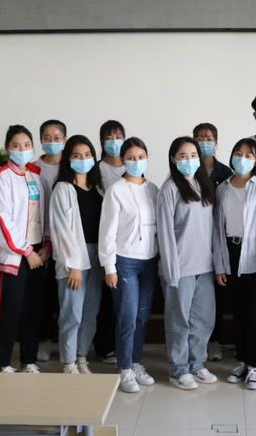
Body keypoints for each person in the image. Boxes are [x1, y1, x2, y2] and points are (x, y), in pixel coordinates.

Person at [213, 138, 256, 390]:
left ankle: (254, 367)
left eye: (249, 155)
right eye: (238, 153)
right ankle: (242, 361)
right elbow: (217, 230)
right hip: (230, 251)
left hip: (254, 253)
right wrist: (220, 264)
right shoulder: (222, 188)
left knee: (255, 313)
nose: (242, 158)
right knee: (237, 312)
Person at [0, 125, 50, 373]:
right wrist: (26, 251)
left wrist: (45, 246)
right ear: (7, 148)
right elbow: (1, 220)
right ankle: (1, 361)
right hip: (15, 253)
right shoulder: (1, 177)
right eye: (16, 145)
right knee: (10, 309)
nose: (22, 150)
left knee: (32, 309)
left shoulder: (37, 177)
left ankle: (28, 359)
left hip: (37, 251)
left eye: (26, 145)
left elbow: (44, 216)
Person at [99, 137, 159, 393]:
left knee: (142, 316)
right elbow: (107, 232)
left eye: (140, 157)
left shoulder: (153, 189)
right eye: (131, 158)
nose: (136, 162)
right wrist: (109, 267)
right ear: (123, 160)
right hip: (125, 262)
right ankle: (124, 369)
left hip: (149, 261)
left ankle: (135, 363)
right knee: (127, 316)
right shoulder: (116, 190)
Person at [158, 137, 217, 391]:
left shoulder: (204, 185)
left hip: (204, 266)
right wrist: (171, 270)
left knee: (203, 319)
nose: (189, 160)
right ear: (173, 159)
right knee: (179, 321)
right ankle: (179, 369)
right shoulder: (170, 188)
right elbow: (165, 231)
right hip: (180, 267)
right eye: (182, 156)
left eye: (193, 155)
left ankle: (196, 363)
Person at [50, 135, 104, 375]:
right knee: (72, 312)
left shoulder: (98, 189)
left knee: (90, 312)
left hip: (95, 257)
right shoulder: (63, 189)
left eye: (87, 155)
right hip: (73, 258)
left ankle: (82, 357)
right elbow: (61, 230)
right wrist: (73, 265)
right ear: (68, 159)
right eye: (77, 155)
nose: (83, 159)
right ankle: (69, 362)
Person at [194, 122, 232, 361]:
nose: (204, 142)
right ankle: (194, 341)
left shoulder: (225, 173)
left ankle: (214, 341)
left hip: (219, 239)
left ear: (216, 142)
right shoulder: (187, 170)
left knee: (217, 294)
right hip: (193, 239)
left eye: (208, 138)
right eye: (199, 138)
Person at [34, 119, 68, 362]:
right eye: (47, 138)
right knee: (43, 296)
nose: (52, 142)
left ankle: (68, 343)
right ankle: (44, 340)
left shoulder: (71, 166)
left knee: (65, 295)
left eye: (57, 138)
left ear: (64, 140)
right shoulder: (33, 168)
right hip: (39, 240)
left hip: (65, 240)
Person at [95, 119, 126, 364]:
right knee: (105, 296)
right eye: (109, 137)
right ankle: (104, 346)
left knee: (123, 297)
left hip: (127, 243)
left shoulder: (132, 166)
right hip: (103, 239)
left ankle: (121, 345)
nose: (114, 142)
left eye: (118, 137)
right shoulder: (96, 170)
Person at [194, 123, 233, 187]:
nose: (204, 143)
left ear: (215, 144)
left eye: (209, 139)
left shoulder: (225, 171)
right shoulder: (189, 169)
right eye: (199, 139)